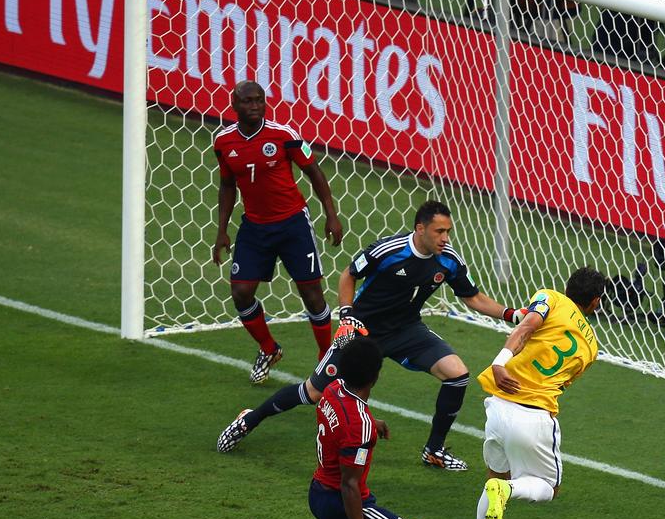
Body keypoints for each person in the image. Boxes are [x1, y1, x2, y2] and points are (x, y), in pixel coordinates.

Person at [218, 200, 526, 472]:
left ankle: (434, 450)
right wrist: (348, 314)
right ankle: (250, 419)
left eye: (448, 232)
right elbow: (348, 275)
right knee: (312, 393)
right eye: (439, 232)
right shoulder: (388, 251)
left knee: (457, 374)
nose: (445, 238)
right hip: (363, 332)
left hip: (407, 330)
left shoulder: (449, 260)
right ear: (420, 228)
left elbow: (472, 297)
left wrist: (511, 314)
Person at [469, 267, 607, 519]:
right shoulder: (592, 349)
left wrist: (500, 362)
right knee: (548, 488)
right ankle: (510, 491)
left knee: (494, 477)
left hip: (498, 407)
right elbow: (561, 382)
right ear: (595, 301)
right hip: (534, 415)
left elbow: (528, 326)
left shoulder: (549, 297)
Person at [212, 80, 343, 384]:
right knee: (241, 292)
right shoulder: (223, 142)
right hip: (255, 227)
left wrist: (331, 215)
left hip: (293, 224)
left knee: (312, 294)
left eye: (260, 100)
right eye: (248, 101)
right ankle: (268, 349)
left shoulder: (284, 135)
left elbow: (314, 172)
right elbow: (228, 184)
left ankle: (327, 360)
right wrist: (222, 230)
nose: (255, 106)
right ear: (235, 104)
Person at [308, 336, 435, 519]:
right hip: (340, 500)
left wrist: (370, 420)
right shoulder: (359, 428)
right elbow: (349, 484)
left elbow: (344, 415)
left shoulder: (334, 388)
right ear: (375, 377)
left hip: (319, 491)